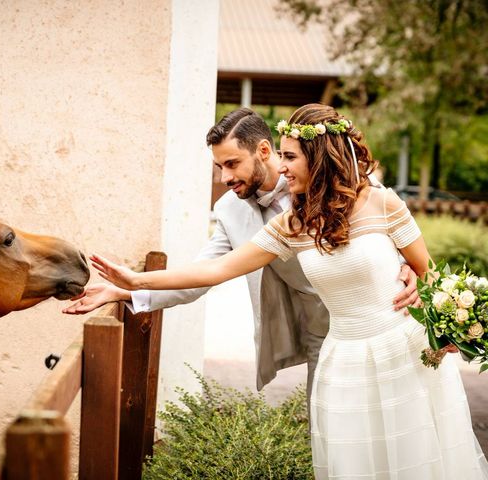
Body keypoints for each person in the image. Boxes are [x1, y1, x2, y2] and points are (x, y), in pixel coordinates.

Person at [86, 104, 488, 478]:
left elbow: (423, 265)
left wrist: (429, 299)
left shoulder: (377, 200)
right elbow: (214, 270)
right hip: (337, 349)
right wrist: (132, 284)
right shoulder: (283, 225)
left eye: (289, 156)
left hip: (399, 345)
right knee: (353, 457)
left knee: (415, 451)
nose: (280, 165)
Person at [65, 107, 418, 404]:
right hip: (320, 332)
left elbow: (387, 232)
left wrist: (410, 268)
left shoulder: (333, 180)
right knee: (330, 430)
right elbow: (207, 273)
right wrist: (126, 290)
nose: (224, 177)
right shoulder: (230, 211)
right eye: (220, 167)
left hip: (382, 319)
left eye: (232, 163)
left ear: (264, 150)